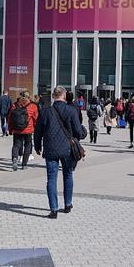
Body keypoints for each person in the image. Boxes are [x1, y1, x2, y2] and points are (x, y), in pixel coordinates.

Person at [34, 86, 86, 219]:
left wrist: (37, 146)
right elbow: (78, 132)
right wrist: (83, 131)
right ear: (64, 95)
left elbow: (38, 131)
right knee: (68, 175)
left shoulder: (45, 111)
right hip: (68, 149)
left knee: (51, 179)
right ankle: (68, 204)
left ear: (53, 96)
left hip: (50, 149)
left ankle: (54, 209)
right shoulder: (71, 110)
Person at [8, 91, 38, 171]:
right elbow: (36, 119)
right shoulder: (33, 106)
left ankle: (15, 158)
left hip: (17, 129)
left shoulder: (15, 105)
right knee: (28, 145)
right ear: (29, 97)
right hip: (28, 130)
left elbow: (10, 118)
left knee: (16, 145)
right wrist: (36, 129)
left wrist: (10, 129)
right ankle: (24, 164)